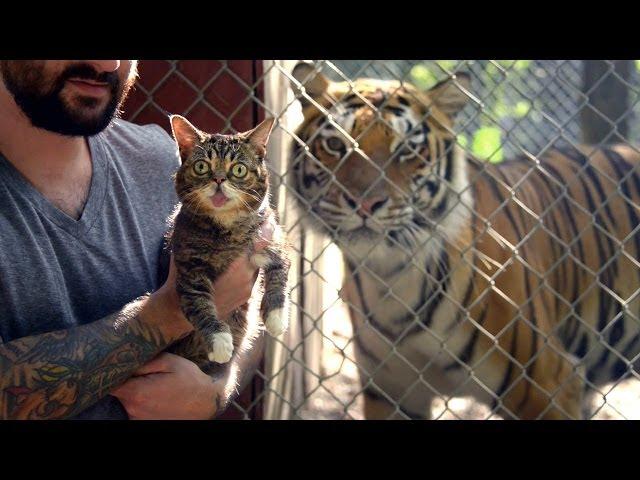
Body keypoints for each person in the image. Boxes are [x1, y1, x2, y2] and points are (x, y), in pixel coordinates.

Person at [0, 60, 269, 419]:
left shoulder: (168, 162)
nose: (109, 63)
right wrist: (173, 313)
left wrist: (216, 388)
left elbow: (248, 315)